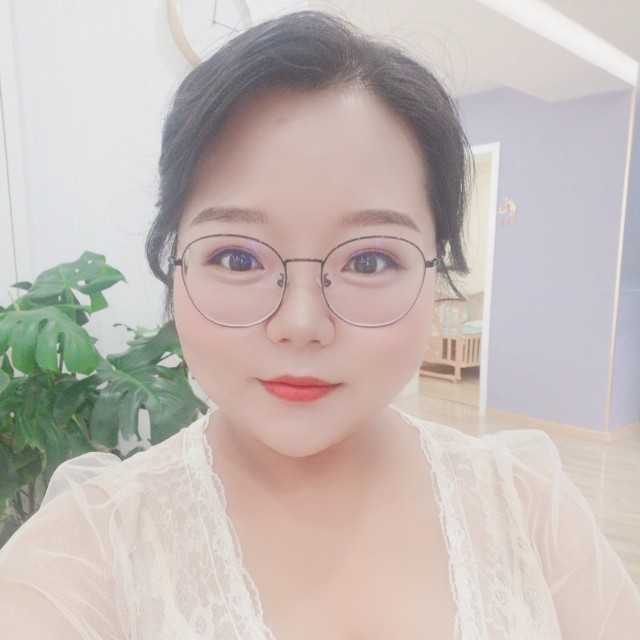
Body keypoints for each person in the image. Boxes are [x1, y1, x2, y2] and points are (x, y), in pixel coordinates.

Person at [0, 10, 639, 639]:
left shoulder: (528, 509)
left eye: (368, 260)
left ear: (435, 270)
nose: (301, 325)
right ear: (174, 265)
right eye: (237, 258)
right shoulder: (81, 560)